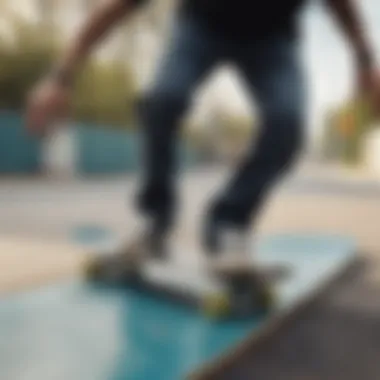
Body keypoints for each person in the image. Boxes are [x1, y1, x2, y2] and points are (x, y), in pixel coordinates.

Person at [27, 0, 379, 269]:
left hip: (272, 43)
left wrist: (365, 61)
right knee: (163, 100)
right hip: (200, 30)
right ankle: (155, 221)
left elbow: (343, 8)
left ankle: (228, 223)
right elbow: (113, 10)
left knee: (287, 122)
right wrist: (60, 77)